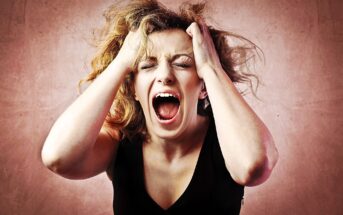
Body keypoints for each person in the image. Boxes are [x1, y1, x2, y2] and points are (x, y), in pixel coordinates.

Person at [41, 0, 278, 214]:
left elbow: (255, 166)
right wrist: (123, 61)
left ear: (204, 87)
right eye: (147, 66)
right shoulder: (119, 140)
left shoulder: (228, 140)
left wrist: (210, 67)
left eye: (183, 64)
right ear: (133, 88)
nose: (165, 75)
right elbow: (57, 157)